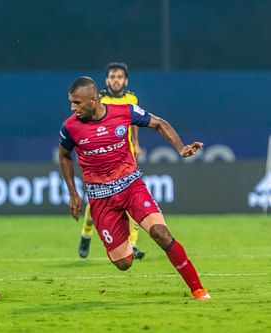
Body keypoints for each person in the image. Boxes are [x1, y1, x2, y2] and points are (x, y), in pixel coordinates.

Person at [59, 76, 210, 300]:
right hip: (101, 198)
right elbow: (64, 155)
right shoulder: (70, 126)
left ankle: (199, 290)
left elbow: (160, 123)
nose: (73, 108)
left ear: (93, 99)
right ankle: (122, 224)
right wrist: (73, 192)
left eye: (77, 103)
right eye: (71, 102)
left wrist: (180, 148)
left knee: (161, 234)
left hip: (131, 186)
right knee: (124, 263)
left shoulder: (124, 112)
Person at [79, 62, 145, 260]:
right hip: (103, 160)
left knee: (133, 200)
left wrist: (137, 144)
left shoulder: (132, 98)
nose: (116, 80)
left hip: (126, 158)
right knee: (97, 203)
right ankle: (86, 233)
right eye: (113, 77)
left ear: (125, 80)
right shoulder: (100, 99)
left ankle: (132, 245)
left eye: (119, 77)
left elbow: (135, 123)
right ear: (107, 80)